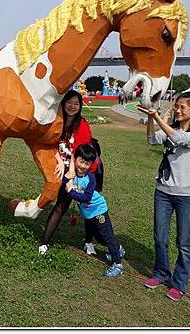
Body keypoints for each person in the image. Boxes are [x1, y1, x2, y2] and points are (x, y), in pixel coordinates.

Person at [136, 91, 190, 301]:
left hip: (186, 196)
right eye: (176, 106)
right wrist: (151, 118)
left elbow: (178, 138)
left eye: (182, 107)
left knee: (183, 243)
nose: (177, 110)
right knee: (160, 238)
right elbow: (151, 139)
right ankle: (160, 273)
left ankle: (179, 283)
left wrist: (158, 118)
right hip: (163, 192)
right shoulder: (171, 129)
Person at [39, 89, 101, 255]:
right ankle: (44, 243)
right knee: (61, 205)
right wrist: (60, 161)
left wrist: (72, 174)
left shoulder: (82, 125)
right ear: (63, 103)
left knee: (88, 206)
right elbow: (49, 142)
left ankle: (89, 242)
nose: (72, 106)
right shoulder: (56, 120)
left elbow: (80, 153)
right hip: (65, 167)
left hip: (85, 170)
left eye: (76, 103)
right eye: (69, 102)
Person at [64, 144, 125, 278]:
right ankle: (117, 249)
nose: (83, 166)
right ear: (75, 160)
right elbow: (65, 181)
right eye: (81, 161)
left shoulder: (90, 178)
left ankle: (118, 264)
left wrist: (71, 192)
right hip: (88, 213)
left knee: (107, 237)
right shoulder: (72, 174)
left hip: (99, 211)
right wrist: (68, 179)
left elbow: (86, 197)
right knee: (98, 236)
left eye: (87, 163)